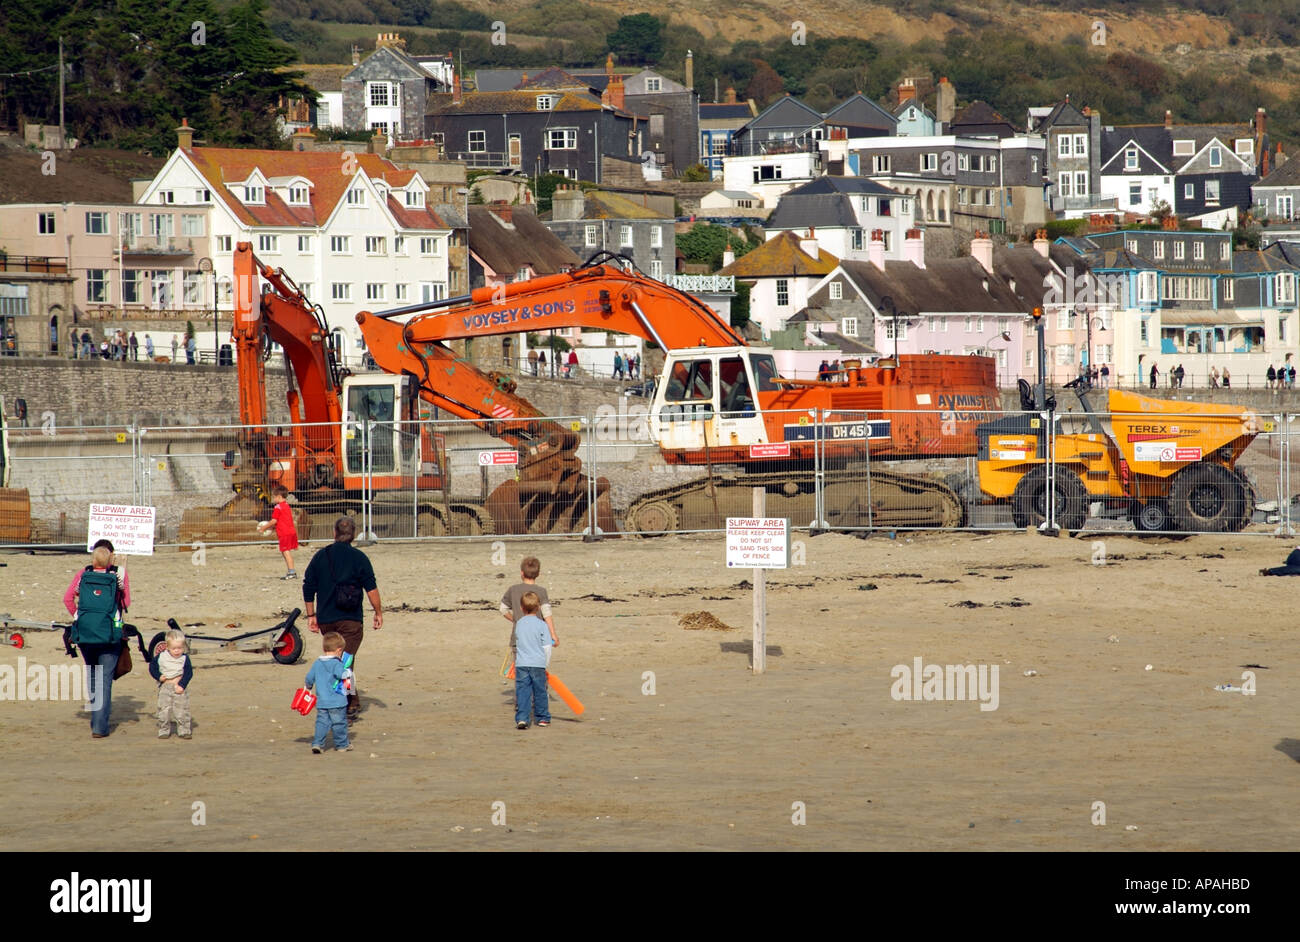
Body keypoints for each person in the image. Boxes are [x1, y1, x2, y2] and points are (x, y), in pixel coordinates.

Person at [302, 517, 382, 724]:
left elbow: (308, 586)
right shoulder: (359, 557)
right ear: (354, 534)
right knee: (345, 663)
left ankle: (349, 701)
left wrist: (311, 615)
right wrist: (378, 612)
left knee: (341, 663)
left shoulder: (321, 556)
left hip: (327, 619)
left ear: (334, 533)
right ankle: (346, 705)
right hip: (351, 620)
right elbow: (371, 588)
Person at [63, 542, 130, 738]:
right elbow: (126, 602)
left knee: (92, 675)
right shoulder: (117, 576)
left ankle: (96, 720)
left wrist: (79, 617)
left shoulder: (83, 575)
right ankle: (99, 727)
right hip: (108, 632)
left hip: (85, 633)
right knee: (105, 679)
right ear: (111, 559)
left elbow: (68, 599)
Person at [500, 556, 559, 678]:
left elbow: (503, 609)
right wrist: (553, 634)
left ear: (522, 573)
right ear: (538, 574)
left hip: (518, 638)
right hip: (538, 638)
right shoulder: (541, 591)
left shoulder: (513, 590)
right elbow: (547, 613)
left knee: (521, 674)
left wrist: (515, 619)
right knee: (538, 672)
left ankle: (522, 696)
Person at [304, 632, 352, 753]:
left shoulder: (317, 663)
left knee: (321, 723)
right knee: (339, 723)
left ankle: (317, 743)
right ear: (339, 650)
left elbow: (309, 678)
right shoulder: (336, 663)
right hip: (337, 701)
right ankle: (342, 745)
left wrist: (308, 687)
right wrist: (348, 673)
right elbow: (341, 674)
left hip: (322, 701)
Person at [513, 592, 553, 730]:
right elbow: (547, 647)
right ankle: (542, 717)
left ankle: (522, 718)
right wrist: (545, 664)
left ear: (522, 608)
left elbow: (519, 643)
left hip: (522, 663)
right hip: (538, 663)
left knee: (523, 691)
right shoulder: (542, 625)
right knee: (540, 691)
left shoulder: (519, 624)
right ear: (538, 608)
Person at [149, 628, 193, 739]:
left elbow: (188, 673)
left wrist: (182, 685)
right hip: (165, 686)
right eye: (174, 648)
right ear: (167, 647)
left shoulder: (184, 658)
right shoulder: (161, 657)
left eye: (180, 648)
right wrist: (158, 676)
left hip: (178, 686)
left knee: (181, 710)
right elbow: (152, 667)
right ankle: (164, 730)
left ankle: (184, 730)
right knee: (164, 709)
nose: (177, 651)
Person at [256, 485, 299, 579]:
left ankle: (292, 572)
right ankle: (291, 571)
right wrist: (273, 528)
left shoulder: (278, 507)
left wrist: (264, 528)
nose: (273, 498)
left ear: (279, 496)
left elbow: (274, 520)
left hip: (284, 533)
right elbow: (282, 521)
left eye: (274, 496)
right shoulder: (286, 506)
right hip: (290, 531)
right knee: (286, 551)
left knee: (285, 552)